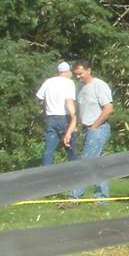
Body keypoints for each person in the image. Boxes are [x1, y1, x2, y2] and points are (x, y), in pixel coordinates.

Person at [69, 59, 115, 201]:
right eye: (76, 74)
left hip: (98, 129)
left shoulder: (99, 86)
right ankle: (101, 197)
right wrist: (70, 131)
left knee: (86, 163)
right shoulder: (82, 89)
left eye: (80, 74)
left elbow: (109, 108)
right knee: (97, 165)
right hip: (88, 129)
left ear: (89, 70)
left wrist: (94, 126)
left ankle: (74, 197)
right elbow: (78, 113)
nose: (78, 77)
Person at [36, 62, 77, 166]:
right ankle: (75, 171)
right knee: (71, 147)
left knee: (49, 150)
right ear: (67, 72)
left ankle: (46, 174)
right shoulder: (69, 83)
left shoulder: (48, 82)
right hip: (65, 118)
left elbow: (40, 99)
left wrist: (46, 106)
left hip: (51, 118)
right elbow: (69, 101)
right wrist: (74, 116)